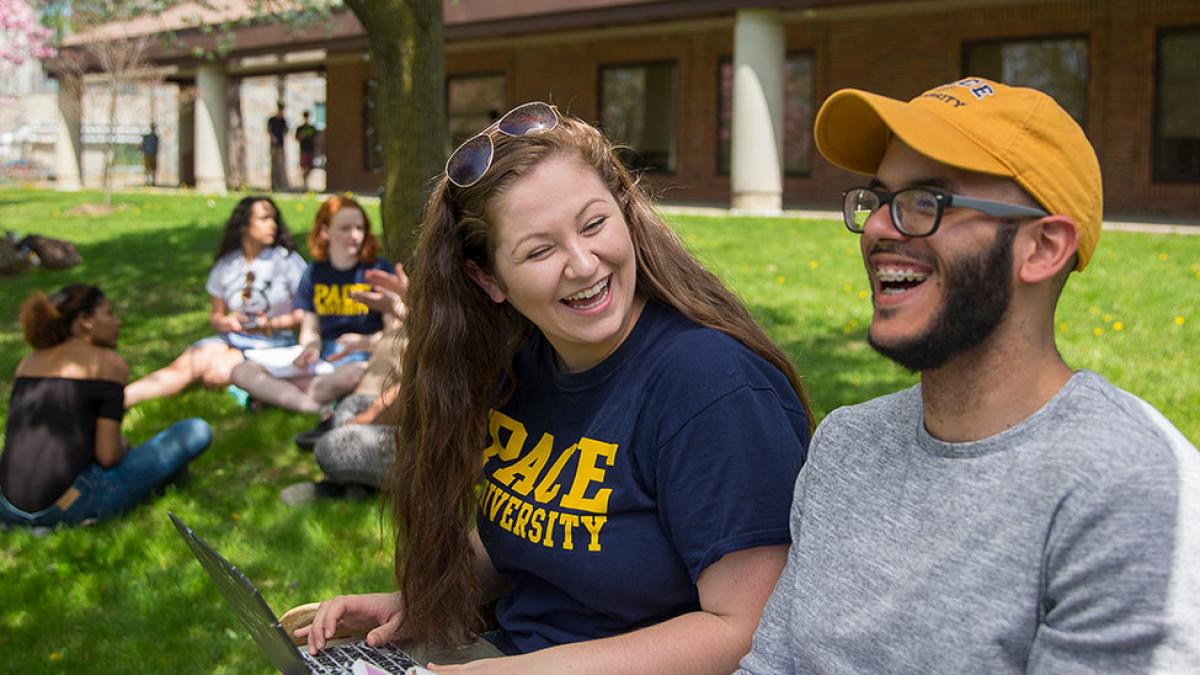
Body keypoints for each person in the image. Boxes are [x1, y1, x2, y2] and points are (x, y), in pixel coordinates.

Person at [294, 103, 814, 672]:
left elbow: (745, 630)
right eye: (539, 250)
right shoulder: (523, 363)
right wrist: (417, 607)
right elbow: (531, 537)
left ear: (626, 212)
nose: (583, 263)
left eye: (594, 224)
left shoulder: (714, 388)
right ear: (488, 278)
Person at [739, 77, 1200, 674]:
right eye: (879, 200)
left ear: (1042, 248)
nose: (879, 227)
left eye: (927, 202)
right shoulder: (847, 444)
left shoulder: (1127, 488)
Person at [0, 286, 212, 527]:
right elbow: (108, 455)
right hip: (71, 505)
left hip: (8, 506)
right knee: (195, 430)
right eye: (109, 314)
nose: (117, 322)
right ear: (85, 321)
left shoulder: (28, 362)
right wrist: (123, 446)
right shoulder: (108, 364)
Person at [124, 196, 307, 408]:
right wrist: (227, 322)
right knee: (185, 366)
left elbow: (305, 315)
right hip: (232, 339)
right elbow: (215, 316)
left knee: (215, 375)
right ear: (245, 224)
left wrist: (271, 324)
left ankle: (254, 391)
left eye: (274, 219)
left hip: (272, 343)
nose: (272, 225)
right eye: (264, 219)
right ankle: (116, 400)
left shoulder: (287, 261)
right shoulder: (227, 264)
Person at [230, 195, 394, 414]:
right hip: (322, 361)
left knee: (354, 375)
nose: (355, 236)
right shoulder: (314, 272)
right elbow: (310, 330)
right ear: (325, 231)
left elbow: (396, 332)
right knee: (242, 371)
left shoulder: (378, 271)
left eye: (360, 228)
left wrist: (366, 341)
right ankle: (313, 405)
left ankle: (281, 396)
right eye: (345, 229)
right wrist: (311, 348)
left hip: (363, 357)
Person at [268, 102, 289, 192]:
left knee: (281, 165)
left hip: (281, 145)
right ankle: (273, 185)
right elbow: (269, 130)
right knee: (274, 165)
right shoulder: (272, 119)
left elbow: (285, 131)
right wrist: (273, 138)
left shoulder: (283, 121)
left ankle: (282, 185)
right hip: (274, 145)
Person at [296, 111, 318, 192]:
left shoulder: (312, 128)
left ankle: (306, 183)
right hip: (303, 149)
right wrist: (303, 135)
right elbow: (297, 138)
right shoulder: (300, 128)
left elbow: (316, 138)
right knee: (304, 167)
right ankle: (304, 185)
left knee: (310, 167)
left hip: (311, 149)